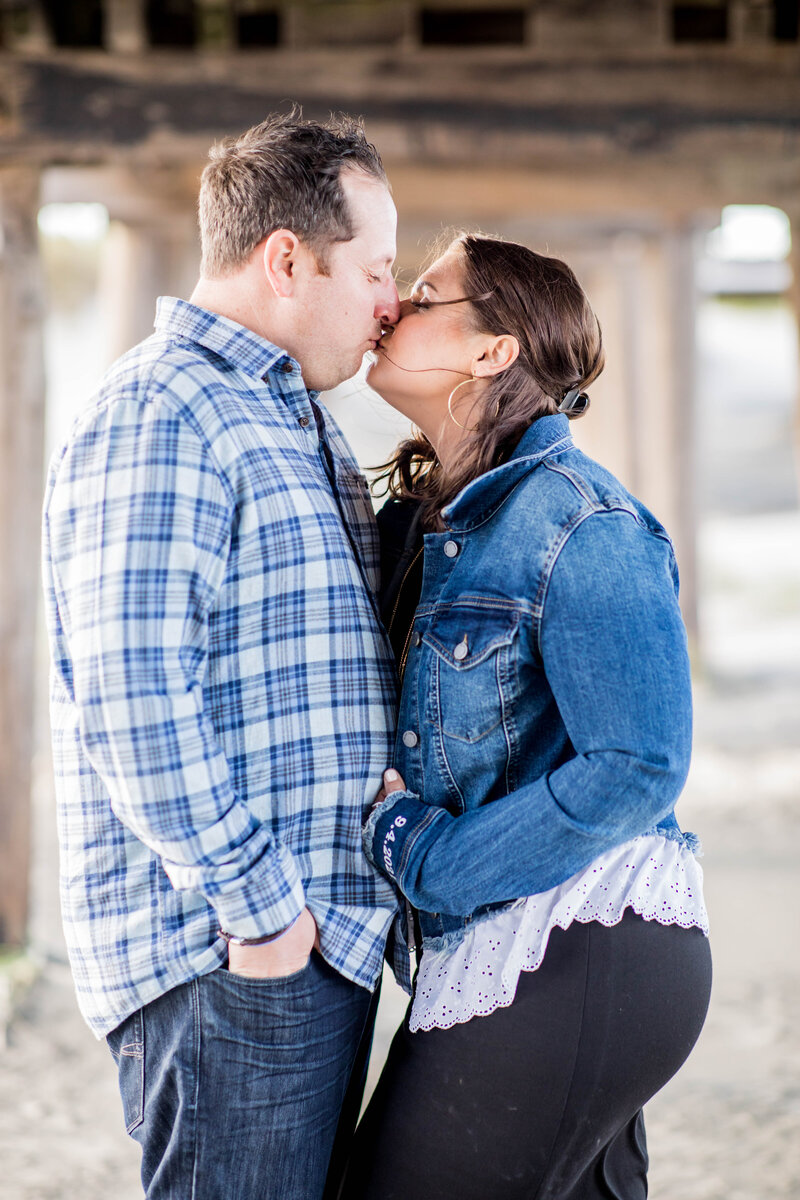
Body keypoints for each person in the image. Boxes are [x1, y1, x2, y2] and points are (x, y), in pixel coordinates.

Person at [41, 111, 402, 1200]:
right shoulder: (165, 409)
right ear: (286, 259)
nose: (392, 302)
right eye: (377, 267)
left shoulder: (284, 415)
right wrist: (263, 916)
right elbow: (134, 695)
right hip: (231, 959)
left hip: (294, 950)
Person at [343, 233, 712, 1199]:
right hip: (513, 948)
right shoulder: (424, 524)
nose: (392, 309)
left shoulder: (585, 522)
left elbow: (639, 763)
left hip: (586, 942)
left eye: (423, 296)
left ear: (491, 351)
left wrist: (425, 857)